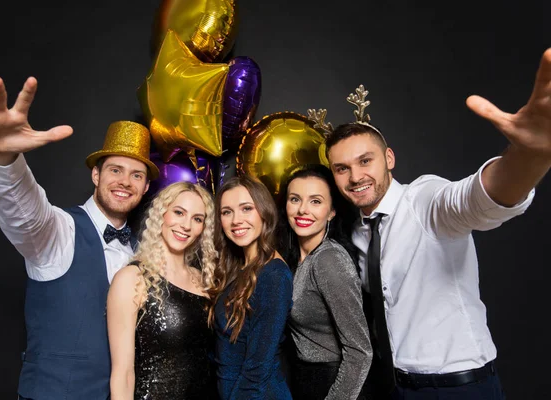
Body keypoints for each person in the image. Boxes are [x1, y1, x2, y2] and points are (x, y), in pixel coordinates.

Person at [325, 47, 551, 399]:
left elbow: (478, 200)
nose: (356, 176)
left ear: (389, 158)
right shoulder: (355, 235)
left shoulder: (424, 200)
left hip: (460, 388)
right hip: (396, 388)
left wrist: (530, 156)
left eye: (365, 160)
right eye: (342, 168)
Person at [0, 76, 159, 400]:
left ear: (146, 188)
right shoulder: (59, 231)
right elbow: (22, 209)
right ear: (96, 174)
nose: (125, 182)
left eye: (137, 175)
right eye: (115, 170)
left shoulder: (140, 253)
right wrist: (2, 159)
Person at [107, 181, 218, 400]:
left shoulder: (203, 281)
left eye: (197, 219)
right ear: (162, 214)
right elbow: (123, 374)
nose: (186, 225)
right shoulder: (132, 279)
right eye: (179, 212)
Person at [277, 164, 372, 400]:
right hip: (305, 381)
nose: (302, 210)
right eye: (295, 199)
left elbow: (360, 351)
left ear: (331, 212)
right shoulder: (294, 258)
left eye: (316, 201)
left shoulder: (329, 260)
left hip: (335, 385)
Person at [208, 175, 293, 399]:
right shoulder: (239, 269)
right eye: (227, 212)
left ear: (264, 212)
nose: (236, 220)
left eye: (246, 208)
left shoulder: (273, 275)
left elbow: (257, 369)